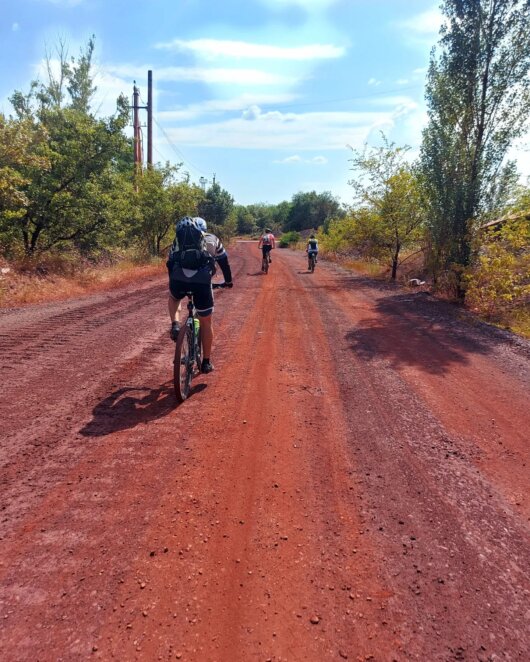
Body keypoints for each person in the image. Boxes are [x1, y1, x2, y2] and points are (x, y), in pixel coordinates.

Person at [166, 216, 232, 374]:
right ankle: (206, 362)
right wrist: (228, 281)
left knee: (174, 298)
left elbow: (170, 263)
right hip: (202, 283)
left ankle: (175, 324)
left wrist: (175, 282)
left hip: (179, 280)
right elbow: (224, 262)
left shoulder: (177, 241)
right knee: (206, 322)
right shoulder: (212, 239)